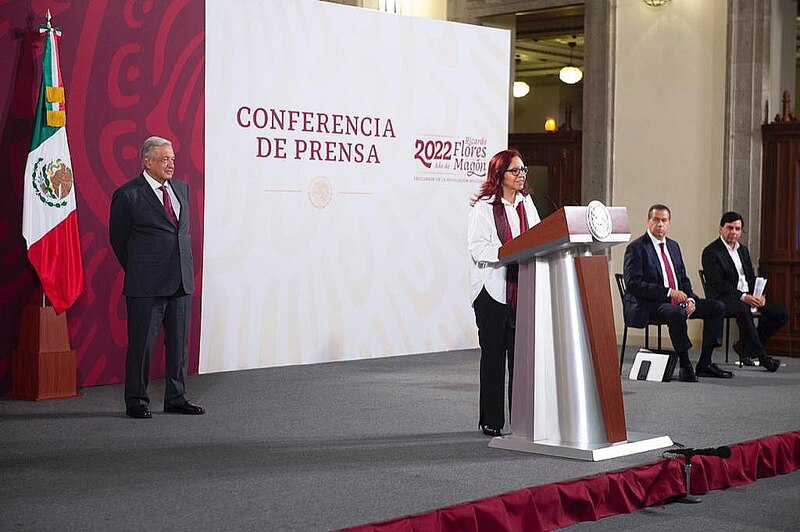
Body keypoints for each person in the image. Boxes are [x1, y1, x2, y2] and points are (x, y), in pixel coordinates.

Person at [110, 136, 205, 418]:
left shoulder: (181, 189)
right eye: (164, 159)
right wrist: (141, 270)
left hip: (180, 281)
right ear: (146, 161)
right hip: (146, 285)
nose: (171, 164)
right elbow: (118, 240)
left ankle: (176, 398)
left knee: (178, 346)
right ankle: (137, 401)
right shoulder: (128, 195)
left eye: (173, 159)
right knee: (142, 346)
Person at [468, 149, 541, 436]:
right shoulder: (484, 208)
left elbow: (538, 238)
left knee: (520, 359)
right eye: (515, 171)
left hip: (521, 291)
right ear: (500, 174)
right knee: (494, 357)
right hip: (492, 292)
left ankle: (521, 421)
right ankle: (492, 420)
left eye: (523, 170)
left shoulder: (527, 205)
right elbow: (477, 249)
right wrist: (510, 253)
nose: (521, 175)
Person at [623, 204, 726, 382]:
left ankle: (705, 363)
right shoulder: (637, 248)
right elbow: (633, 284)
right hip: (649, 304)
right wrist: (669, 292)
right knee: (676, 313)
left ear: (669, 223)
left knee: (716, 307)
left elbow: (683, 279)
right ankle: (685, 366)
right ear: (648, 222)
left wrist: (691, 299)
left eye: (664, 220)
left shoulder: (673, 246)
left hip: (676, 301)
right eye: (656, 220)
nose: (660, 224)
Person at [700, 211, 786, 372]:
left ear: (741, 231)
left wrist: (759, 296)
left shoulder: (743, 250)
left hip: (747, 296)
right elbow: (718, 283)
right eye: (729, 228)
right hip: (722, 298)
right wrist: (743, 297)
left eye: (737, 229)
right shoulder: (711, 252)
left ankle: (744, 346)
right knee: (742, 309)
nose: (733, 232)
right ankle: (762, 357)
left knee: (781, 314)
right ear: (721, 229)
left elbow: (750, 277)